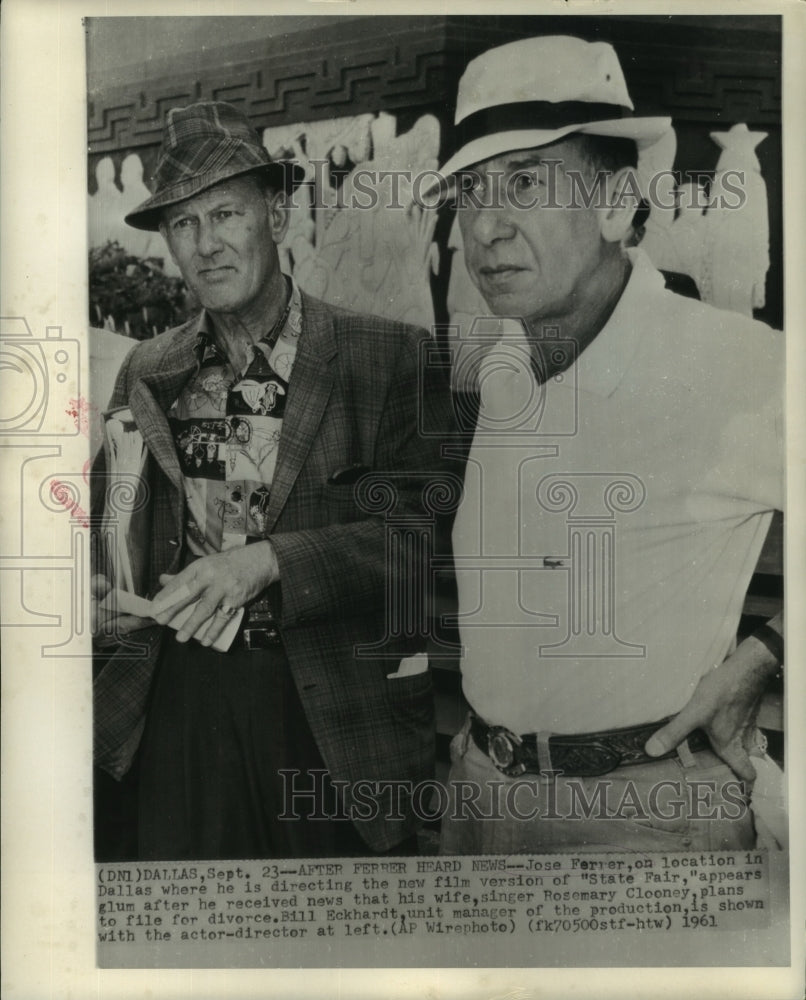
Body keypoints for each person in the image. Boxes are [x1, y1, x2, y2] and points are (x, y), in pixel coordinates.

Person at [433, 36, 784, 854]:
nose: (486, 226)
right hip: (481, 796)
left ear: (618, 202)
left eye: (525, 181)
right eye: (470, 190)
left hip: (642, 816)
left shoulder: (734, 360)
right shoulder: (508, 362)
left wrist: (767, 654)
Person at [91, 101, 456, 861]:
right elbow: (112, 519)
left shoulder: (386, 356)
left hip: (328, 706)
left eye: (226, 213)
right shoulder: (150, 368)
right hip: (180, 699)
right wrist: (102, 589)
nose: (206, 244)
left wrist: (270, 561)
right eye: (184, 225)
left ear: (278, 215)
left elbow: (425, 541)